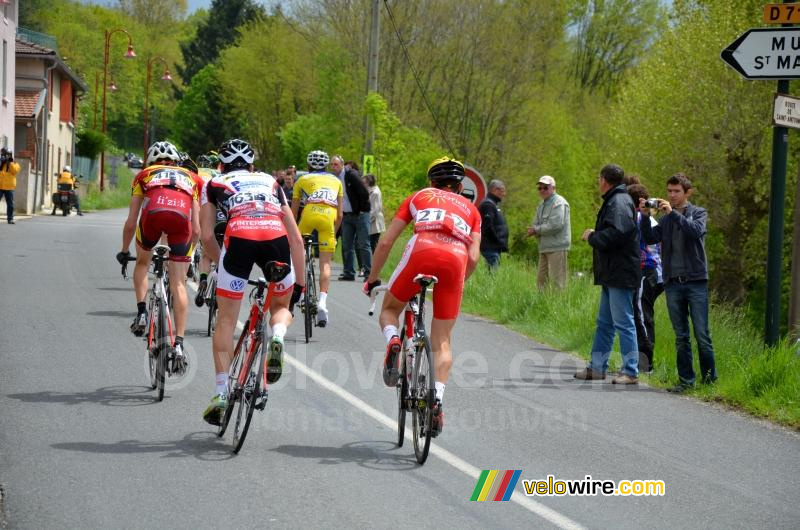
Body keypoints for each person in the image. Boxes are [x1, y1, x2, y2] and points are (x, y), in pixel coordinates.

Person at [364, 156, 482, 436]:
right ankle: (437, 399)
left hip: (422, 250)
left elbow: (386, 241)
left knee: (389, 309)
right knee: (442, 339)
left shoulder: (419, 196)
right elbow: (474, 257)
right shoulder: (472, 210)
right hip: (456, 260)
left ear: (432, 182)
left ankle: (394, 340)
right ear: (460, 186)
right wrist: (455, 282)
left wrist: (372, 279)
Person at [200, 139, 305, 425]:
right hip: (275, 237)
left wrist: (221, 266)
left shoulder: (214, 183)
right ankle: (279, 336)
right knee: (281, 307)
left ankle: (221, 392)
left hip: (240, 238)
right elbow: (296, 239)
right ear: (251, 165)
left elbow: (207, 236)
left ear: (221, 165)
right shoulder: (271, 181)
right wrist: (301, 287)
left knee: (225, 321)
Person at [115, 141, 203, 375]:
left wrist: (124, 252)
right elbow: (196, 228)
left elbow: (131, 222)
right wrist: (189, 254)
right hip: (181, 224)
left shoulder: (144, 175)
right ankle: (180, 344)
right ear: (176, 162)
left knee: (143, 263)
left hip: (152, 218)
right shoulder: (192, 178)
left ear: (152, 161)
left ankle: (142, 311)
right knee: (178, 284)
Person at [640, 172, 717, 392]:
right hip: (673, 282)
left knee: (702, 334)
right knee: (681, 336)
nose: (672, 195)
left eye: (676, 191)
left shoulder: (698, 213)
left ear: (687, 192)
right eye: (669, 191)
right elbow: (650, 238)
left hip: (696, 282)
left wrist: (672, 214)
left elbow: (695, 232)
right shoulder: (665, 219)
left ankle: (710, 381)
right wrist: (646, 216)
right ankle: (686, 381)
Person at [575, 164, 640, 385]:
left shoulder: (619, 201)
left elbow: (617, 233)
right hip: (612, 272)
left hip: (620, 272)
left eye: (598, 179)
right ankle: (597, 367)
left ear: (604, 180)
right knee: (605, 322)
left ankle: (630, 371)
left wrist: (593, 236)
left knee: (623, 322)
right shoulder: (617, 199)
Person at [291, 150, 343, 327]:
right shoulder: (336, 181)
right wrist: (334, 235)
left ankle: (299, 291)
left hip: (309, 214)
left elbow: (292, 212)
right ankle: (322, 302)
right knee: (325, 264)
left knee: (297, 252)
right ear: (327, 166)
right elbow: (341, 215)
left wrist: (293, 235)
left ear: (308, 166)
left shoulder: (302, 180)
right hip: (329, 217)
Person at [627, 183, 664, 373]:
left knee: (642, 317)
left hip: (648, 271)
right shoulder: (650, 219)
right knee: (639, 315)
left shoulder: (640, 218)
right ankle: (638, 361)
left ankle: (645, 364)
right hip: (654, 273)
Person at [330, 155, 371, 280]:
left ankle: (369, 273)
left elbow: (364, 192)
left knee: (363, 244)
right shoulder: (333, 179)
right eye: (332, 165)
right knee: (346, 244)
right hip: (346, 216)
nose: (333, 167)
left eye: (336, 164)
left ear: (342, 165)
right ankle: (349, 272)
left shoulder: (351, 175)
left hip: (360, 214)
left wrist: (361, 209)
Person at [527, 175, 571, 289]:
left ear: (553, 188)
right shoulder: (542, 204)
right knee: (541, 282)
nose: (542, 190)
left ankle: (558, 306)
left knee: (558, 283)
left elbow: (555, 225)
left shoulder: (559, 203)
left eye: (545, 187)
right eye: (540, 188)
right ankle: (542, 306)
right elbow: (535, 222)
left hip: (557, 247)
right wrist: (533, 229)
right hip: (544, 247)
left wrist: (536, 230)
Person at [478, 179, 509, 269]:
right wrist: (498, 241)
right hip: (490, 248)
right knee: (492, 277)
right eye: (502, 191)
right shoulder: (488, 205)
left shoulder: (493, 204)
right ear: (495, 190)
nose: (504, 194)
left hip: (493, 248)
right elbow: (488, 227)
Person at [363, 173, 385, 254]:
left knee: (373, 246)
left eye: (364, 182)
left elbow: (375, 210)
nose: (363, 184)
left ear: (368, 183)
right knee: (369, 245)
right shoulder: (369, 191)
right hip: (371, 223)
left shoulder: (374, 192)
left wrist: (366, 221)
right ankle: (369, 265)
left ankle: (373, 265)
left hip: (374, 223)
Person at [0, 148, 21, 224]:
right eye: (3, 154)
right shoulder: (1, 162)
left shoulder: (15, 163)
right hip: (0, 186)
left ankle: (10, 219)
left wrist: (10, 163)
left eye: (6, 155)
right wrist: (2, 162)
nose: (4, 156)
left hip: (9, 187)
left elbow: (15, 171)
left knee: (10, 204)